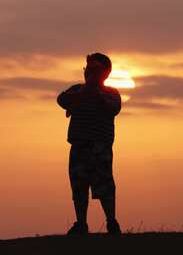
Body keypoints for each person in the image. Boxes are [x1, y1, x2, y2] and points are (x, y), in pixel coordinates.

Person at [57, 53, 122, 235]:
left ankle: (111, 222)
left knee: (105, 185)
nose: (89, 73)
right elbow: (61, 100)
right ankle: (81, 223)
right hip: (79, 145)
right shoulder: (77, 89)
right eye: (88, 69)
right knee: (79, 186)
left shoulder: (111, 93)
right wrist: (82, 93)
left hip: (100, 147)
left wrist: (97, 93)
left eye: (94, 69)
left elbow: (114, 108)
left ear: (105, 73)